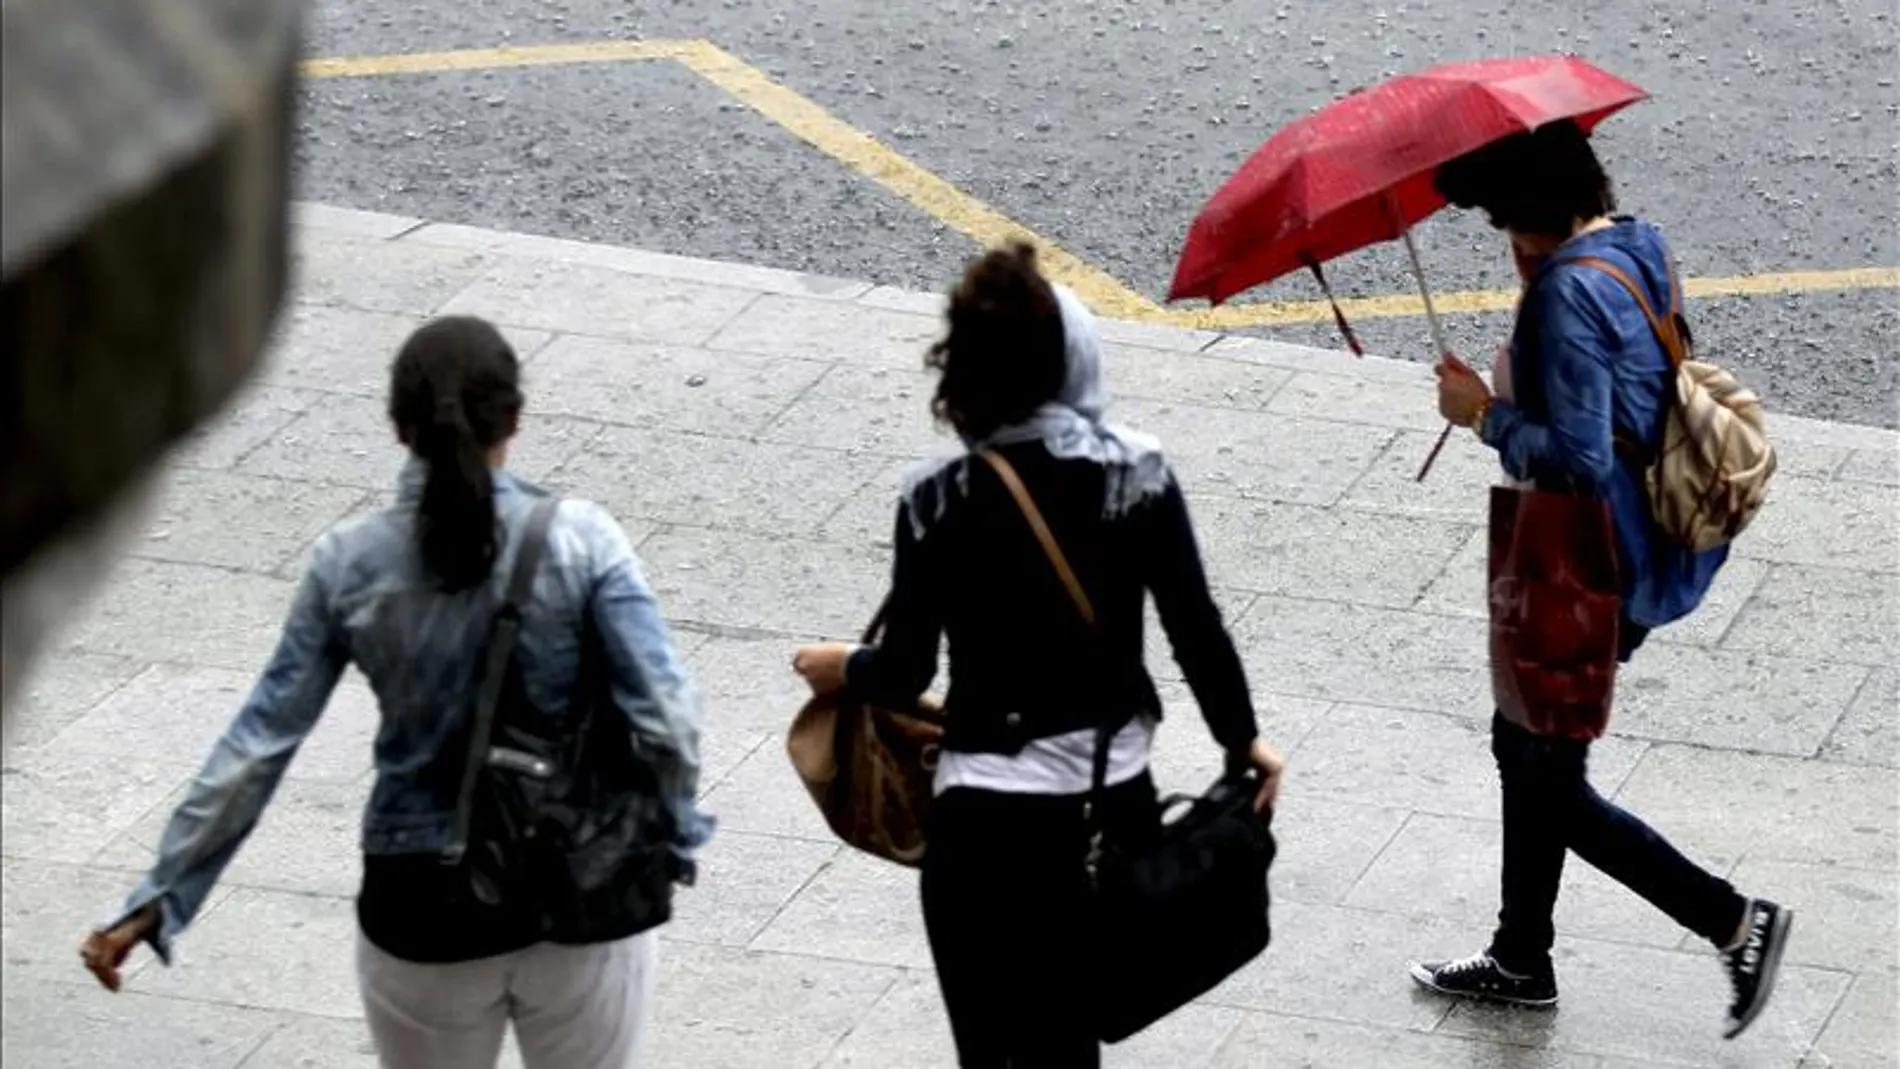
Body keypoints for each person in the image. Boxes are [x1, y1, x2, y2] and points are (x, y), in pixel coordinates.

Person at [78, 315, 712, 1069]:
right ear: (514, 417)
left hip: (420, 908)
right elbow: (669, 722)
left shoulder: (347, 563)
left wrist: (162, 893)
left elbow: (259, 743)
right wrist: (672, 831)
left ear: (396, 427)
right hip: (577, 895)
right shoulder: (584, 540)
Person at [792, 243, 1285, 1068]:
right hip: (1106, 812)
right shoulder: (1140, 476)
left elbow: (907, 671)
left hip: (982, 834)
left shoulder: (935, 497)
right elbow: (1196, 627)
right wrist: (1243, 739)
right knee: (1070, 1043)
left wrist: (845, 666)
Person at [1411, 121, 1792, 1040]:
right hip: (1639, 545)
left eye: (1504, 222)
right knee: (1530, 747)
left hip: (1589, 563)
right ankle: (1519, 956)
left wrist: (1486, 415)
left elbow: (1577, 456)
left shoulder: (1563, 298)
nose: (1505, 242)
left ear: (1530, 219)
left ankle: (1735, 921)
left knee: (1544, 776)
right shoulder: (1635, 242)